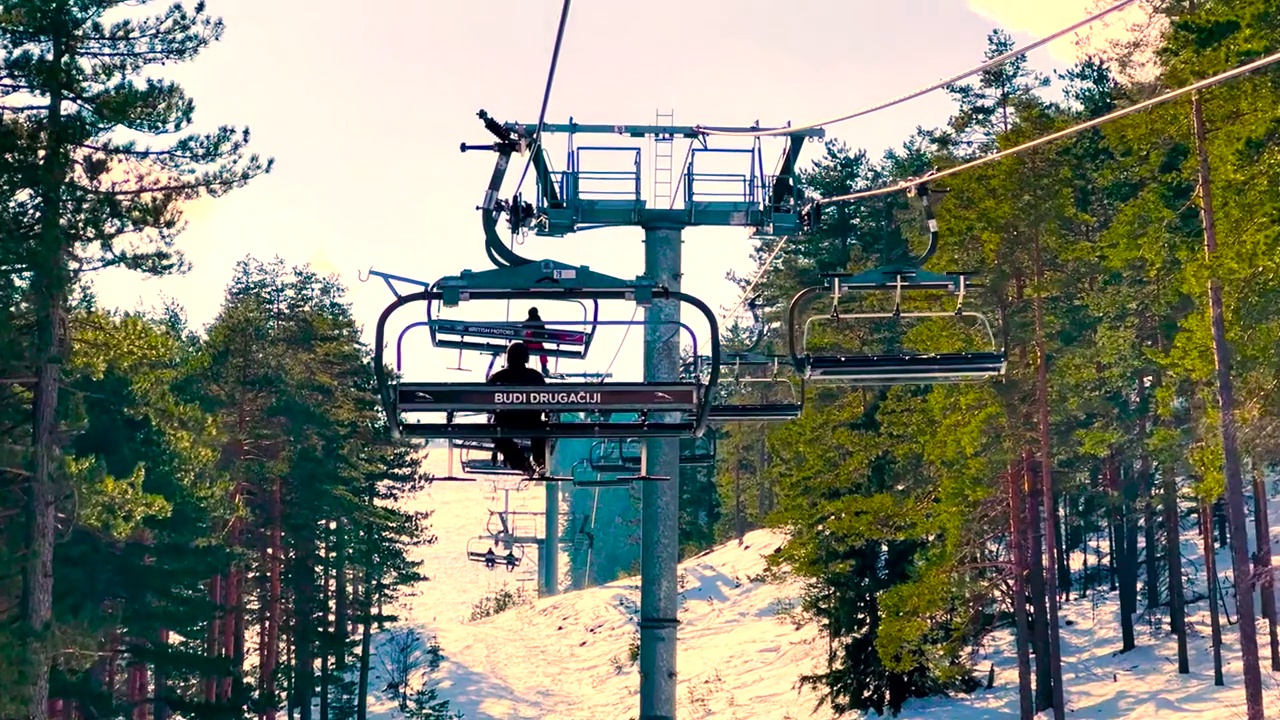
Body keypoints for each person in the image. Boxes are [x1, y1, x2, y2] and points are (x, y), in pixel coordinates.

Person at [486, 341, 549, 476]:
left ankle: (522, 463)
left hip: (505, 422)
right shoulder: (535, 376)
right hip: (532, 422)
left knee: (496, 434)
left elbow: (486, 403)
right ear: (526, 358)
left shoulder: (498, 377)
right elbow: (547, 402)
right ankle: (539, 460)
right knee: (540, 429)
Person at [522, 307, 552, 377]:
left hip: (527, 345)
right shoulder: (540, 322)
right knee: (542, 351)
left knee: (521, 349)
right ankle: (544, 366)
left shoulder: (526, 322)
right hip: (538, 345)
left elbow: (521, 333)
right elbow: (544, 333)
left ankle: (522, 365)